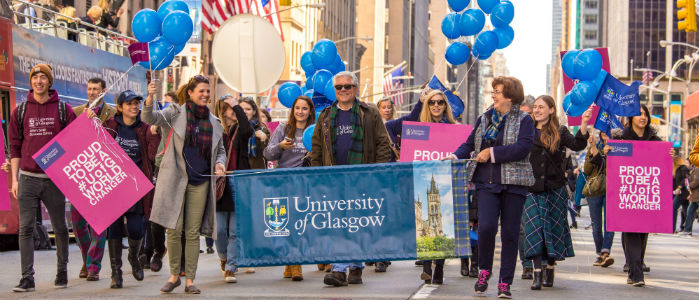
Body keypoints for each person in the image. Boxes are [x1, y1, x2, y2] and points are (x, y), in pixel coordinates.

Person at [447, 76, 534, 298]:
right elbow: (469, 144)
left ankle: (505, 282)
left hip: (515, 184)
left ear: (510, 96)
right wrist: (455, 155)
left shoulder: (524, 119)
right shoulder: (484, 118)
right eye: (493, 91)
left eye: (497, 91)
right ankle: (484, 271)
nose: (493, 95)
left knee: (511, 233)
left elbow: (523, 147)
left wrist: (491, 154)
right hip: (486, 182)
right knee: (485, 228)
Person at [142, 75, 227, 294]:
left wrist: (219, 163)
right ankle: (173, 277)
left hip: (201, 183)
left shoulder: (214, 122)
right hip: (175, 180)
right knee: (173, 229)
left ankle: (190, 280)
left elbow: (220, 151)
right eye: (201, 90)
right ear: (190, 93)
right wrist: (150, 98)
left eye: (208, 91)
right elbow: (150, 118)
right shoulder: (175, 113)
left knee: (192, 233)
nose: (205, 94)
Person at [312, 71, 391, 287]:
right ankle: (344, 269)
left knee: (356, 223)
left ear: (355, 89)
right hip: (334, 178)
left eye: (348, 86)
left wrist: (379, 173)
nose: (344, 90)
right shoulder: (326, 116)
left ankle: (351, 267)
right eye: (339, 87)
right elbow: (317, 147)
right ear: (335, 91)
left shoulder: (370, 112)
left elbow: (383, 144)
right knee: (339, 223)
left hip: (363, 178)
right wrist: (317, 175)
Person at [10, 64, 77, 292]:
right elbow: (15, 147)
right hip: (27, 178)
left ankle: (62, 271)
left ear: (49, 82)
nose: (39, 81)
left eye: (43, 78)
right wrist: (15, 180)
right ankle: (27, 278)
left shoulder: (62, 109)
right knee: (25, 228)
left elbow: (75, 139)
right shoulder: (20, 111)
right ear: (31, 82)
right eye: (35, 78)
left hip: (54, 180)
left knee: (59, 227)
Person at [521, 95, 590, 290]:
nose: (537, 110)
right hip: (532, 188)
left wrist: (584, 124)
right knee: (534, 230)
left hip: (554, 189)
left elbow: (578, 144)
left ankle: (550, 268)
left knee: (551, 229)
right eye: (535, 107)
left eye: (541, 107)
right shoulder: (526, 130)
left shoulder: (560, 131)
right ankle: (536, 273)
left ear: (551, 110)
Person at [103, 90, 159, 288]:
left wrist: (154, 135)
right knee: (114, 230)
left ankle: (134, 257)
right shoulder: (110, 126)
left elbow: (152, 156)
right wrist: (89, 119)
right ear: (120, 107)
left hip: (136, 187)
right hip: (113, 186)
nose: (134, 107)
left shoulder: (144, 128)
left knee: (136, 229)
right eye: (129, 104)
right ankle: (115, 272)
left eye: (136, 103)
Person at [69, 77, 116, 281]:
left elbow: (113, 139)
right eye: (89, 89)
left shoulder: (112, 113)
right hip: (81, 172)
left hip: (102, 173)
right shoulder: (77, 112)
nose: (91, 92)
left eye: (95, 89)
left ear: (103, 91)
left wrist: (95, 121)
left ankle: (93, 267)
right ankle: (86, 259)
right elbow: (69, 138)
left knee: (99, 224)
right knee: (78, 223)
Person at [264, 95, 316, 281]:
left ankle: (294, 264)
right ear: (292, 110)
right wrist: (280, 146)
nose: (300, 112)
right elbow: (268, 154)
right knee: (290, 223)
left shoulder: (315, 130)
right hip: (285, 182)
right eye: (297, 108)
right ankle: (293, 263)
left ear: (310, 111)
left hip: (307, 182)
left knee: (302, 223)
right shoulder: (283, 129)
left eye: (304, 108)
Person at [617, 104, 666, 287]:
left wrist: (668, 155)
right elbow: (613, 165)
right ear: (631, 118)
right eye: (639, 114)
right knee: (631, 231)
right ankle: (637, 274)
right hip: (627, 193)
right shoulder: (621, 139)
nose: (643, 117)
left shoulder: (655, 141)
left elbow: (662, 164)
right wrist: (606, 152)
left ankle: (633, 268)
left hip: (646, 195)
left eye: (645, 114)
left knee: (642, 233)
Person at [412, 90, 456, 285]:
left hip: (446, 180)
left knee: (445, 228)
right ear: (427, 106)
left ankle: (439, 266)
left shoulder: (454, 128)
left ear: (445, 106)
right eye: (432, 103)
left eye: (440, 102)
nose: (436, 106)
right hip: (421, 176)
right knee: (426, 231)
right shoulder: (419, 128)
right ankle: (427, 267)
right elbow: (388, 127)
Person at [214, 96, 253, 283]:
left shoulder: (241, 130)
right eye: (231, 108)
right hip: (220, 181)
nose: (236, 111)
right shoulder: (215, 129)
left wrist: (237, 105)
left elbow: (247, 128)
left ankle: (231, 266)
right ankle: (223, 256)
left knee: (235, 229)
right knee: (220, 229)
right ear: (223, 110)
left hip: (238, 180)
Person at [584, 131, 616, 268]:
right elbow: (586, 170)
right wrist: (594, 151)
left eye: (609, 134)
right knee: (596, 225)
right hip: (595, 189)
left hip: (612, 189)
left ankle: (605, 252)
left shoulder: (619, 149)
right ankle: (599, 251)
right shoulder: (593, 147)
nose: (606, 136)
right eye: (604, 134)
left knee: (610, 223)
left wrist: (611, 156)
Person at [240, 98, 269, 171]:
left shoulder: (262, 129)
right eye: (241, 109)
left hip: (257, 174)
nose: (244, 112)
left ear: (254, 112)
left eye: (248, 109)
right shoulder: (234, 129)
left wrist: (264, 139)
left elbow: (269, 155)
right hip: (238, 174)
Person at [672, 155, 690, 233]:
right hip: (682, 192)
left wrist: (679, 187)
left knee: (674, 207)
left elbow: (686, 179)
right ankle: (686, 228)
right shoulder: (677, 169)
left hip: (683, 192)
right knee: (686, 210)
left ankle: (672, 228)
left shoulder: (683, 168)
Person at [682, 165, 698, 236]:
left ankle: (687, 230)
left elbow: (697, 181)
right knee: (690, 212)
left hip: (697, 195)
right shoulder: (695, 169)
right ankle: (687, 230)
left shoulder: (697, 169)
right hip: (694, 196)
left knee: (690, 212)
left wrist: (689, 186)